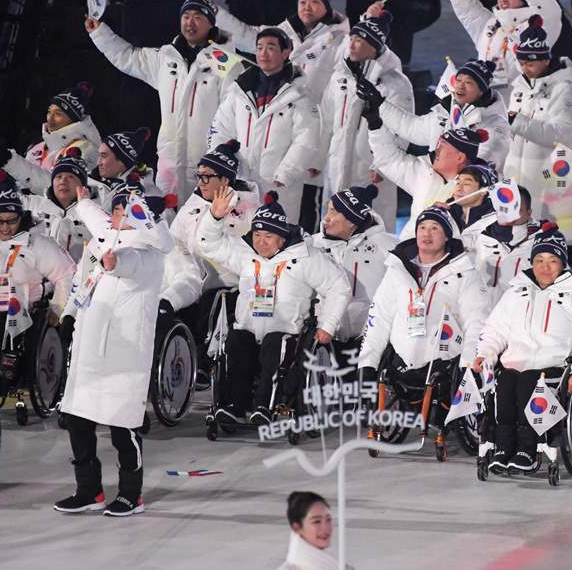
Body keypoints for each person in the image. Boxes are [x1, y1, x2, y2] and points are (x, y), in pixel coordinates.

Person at [55, 181, 172, 517]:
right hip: (90, 353)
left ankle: (130, 494)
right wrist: (84, 202)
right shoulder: (109, 235)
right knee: (78, 422)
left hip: (124, 358)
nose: (118, 215)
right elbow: (98, 221)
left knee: (123, 429)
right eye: (117, 209)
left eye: (128, 212)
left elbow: (127, 262)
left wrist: (112, 264)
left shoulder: (147, 256)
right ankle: (88, 490)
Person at [196, 190, 349, 425]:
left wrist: (327, 325)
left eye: (268, 236)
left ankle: (263, 406)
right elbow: (208, 244)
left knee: (274, 344)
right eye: (257, 234)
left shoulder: (306, 257)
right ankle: (234, 406)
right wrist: (214, 219)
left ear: (281, 237)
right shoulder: (246, 255)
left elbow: (339, 286)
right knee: (236, 342)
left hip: (287, 334)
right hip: (248, 328)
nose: (260, 241)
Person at [86, 0, 243, 206]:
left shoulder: (226, 63)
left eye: (198, 17)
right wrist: (99, 33)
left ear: (211, 24)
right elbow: (128, 57)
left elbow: (235, 113)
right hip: (169, 162)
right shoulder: (166, 58)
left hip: (208, 167)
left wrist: (220, 156)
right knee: (167, 221)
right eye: (186, 17)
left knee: (201, 228)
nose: (190, 22)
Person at [474, 228, 572, 472]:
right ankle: (503, 447)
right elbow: (494, 330)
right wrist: (486, 354)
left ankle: (528, 448)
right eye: (539, 260)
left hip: (555, 368)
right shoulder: (515, 293)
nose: (545, 267)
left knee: (527, 382)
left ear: (563, 263)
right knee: (503, 385)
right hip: (515, 366)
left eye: (552, 261)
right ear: (531, 262)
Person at [357, 206, 490, 436]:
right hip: (402, 357)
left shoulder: (465, 272)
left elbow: (476, 321)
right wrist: (367, 363)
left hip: (444, 359)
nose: (426, 234)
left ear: (447, 235)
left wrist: (468, 365)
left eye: (435, 228)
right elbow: (379, 316)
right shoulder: (397, 269)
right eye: (422, 228)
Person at [159, 140, 259, 387]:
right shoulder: (191, 205)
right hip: (192, 275)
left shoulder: (246, 207)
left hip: (228, 282)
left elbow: (247, 252)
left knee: (213, 301)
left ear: (224, 180)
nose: (200, 182)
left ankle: (203, 363)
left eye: (207, 177)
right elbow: (174, 243)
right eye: (198, 176)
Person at [208, 27, 322, 223]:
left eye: (270, 48)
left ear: (286, 53)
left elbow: (307, 139)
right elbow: (220, 126)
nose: (263, 53)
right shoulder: (241, 88)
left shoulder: (300, 94)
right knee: (240, 239)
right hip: (240, 179)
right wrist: (220, 161)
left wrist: (285, 174)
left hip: (278, 185)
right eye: (259, 47)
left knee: (276, 241)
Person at [0, 171, 75, 397]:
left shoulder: (36, 243)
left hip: (18, 311)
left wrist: (58, 308)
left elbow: (67, 273)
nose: (4, 227)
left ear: (21, 216)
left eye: (12, 220)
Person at [317, 7, 409, 226]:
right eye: (352, 38)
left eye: (359, 40)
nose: (352, 44)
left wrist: (382, 165)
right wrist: (320, 158)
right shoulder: (340, 76)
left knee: (370, 225)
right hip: (338, 159)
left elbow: (402, 129)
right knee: (333, 223)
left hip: (370, 165)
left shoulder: (395, 83)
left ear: (374, 46)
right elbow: (326, 120)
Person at [506, 16, 572, 240]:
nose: (525, 69)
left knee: (557, 241)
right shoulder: (519, 89)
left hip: (553, 178)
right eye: (521, 63)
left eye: (530, 63)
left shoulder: (567, 90)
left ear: (546, 60)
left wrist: (517, 121)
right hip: (519, 180)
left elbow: (563, 135)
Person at [308, 185, 398, 373]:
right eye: (327, 209)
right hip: (325, 337)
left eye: (333, 212)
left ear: (352, 220)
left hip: (370, 342)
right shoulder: (312, 246)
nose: (325, 218)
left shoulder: (387, 246)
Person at [448, 0, 562, 91]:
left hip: (522, 106)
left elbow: (552, 14)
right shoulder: (490, 23)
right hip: (487, 102)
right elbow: (464, 6)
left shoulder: (536, 28)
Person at [217, 0, 350, 100]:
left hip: (316, 118)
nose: (307, 7)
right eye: (302, 2)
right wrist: (214, 13)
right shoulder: (283, 33)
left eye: (315, 1)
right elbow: (245, 35)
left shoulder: (341, 40)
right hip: (281, 114)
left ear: (327, 7)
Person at [372, 58, 511, 169]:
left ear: (482, 90)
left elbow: (480, 167)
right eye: (459, 80)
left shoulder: (495, 125)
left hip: (463, 195)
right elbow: (412, 129)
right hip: (436, 186)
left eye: (469, 82)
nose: (461, 86)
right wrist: (379, 104)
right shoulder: (447, 110)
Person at [367, 118, 485, 239]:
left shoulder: (476, 192)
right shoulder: (425, 173)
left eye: (442, 146)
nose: (436, 150)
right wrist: (375, 126)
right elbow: (389, 160)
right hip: (405, 250)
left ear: (460, 158)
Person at [0, 82, 101, 195]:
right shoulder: (37, 147)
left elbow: (60, 189)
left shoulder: (84, 149)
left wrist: (13, 164)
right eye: (49, 112)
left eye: (58, 114)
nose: (50, 118)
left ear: (73, 120)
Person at [0, 147, 92, 264]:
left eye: (71, 177)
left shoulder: (93, 214)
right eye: (58, 177)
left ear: (82, 185)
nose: (63, 181)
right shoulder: (32, 205)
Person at [474, 186, 551, 305]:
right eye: (505, 209)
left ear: (529, 212)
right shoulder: (479, 237)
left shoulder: (545, 239)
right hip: (483, 314)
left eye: (517, 209)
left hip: (523, 313)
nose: (510, 215)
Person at [89, 127, 162, 211]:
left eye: (104, 156)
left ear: (122, 161)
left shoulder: (149, 197)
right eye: (99, 155)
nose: (98, 162)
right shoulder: (85, 180)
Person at [444, 163, 499, 253]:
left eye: (466, 184)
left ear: (484, 191)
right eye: (458, 183)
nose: (459, 188)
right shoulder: (445, 214)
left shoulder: (496, 222)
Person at [278, 491, 338, 570]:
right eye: (316, 521)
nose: (325, 527)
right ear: (296, 528)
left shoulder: (332, 564)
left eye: (328, 519)